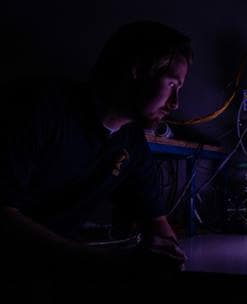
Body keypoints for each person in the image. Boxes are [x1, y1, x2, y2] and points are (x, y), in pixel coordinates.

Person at [1, 20, 192, 302]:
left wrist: (168, 254)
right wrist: (102, 260)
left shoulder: (132, 142)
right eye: (172, 83)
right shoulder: (38, 107)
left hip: (59, 272)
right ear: (137, 69)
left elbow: (158, 225)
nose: (175, 102)